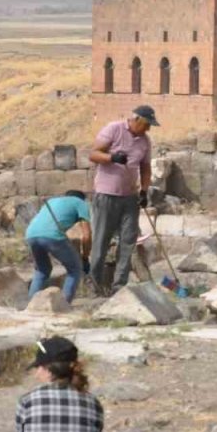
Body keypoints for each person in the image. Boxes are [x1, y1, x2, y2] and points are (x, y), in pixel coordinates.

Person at [88, 106, 156, 294]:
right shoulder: (114, 129)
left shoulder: (145, 141)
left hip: (129, 197)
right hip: (106, 195)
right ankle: (95, 285)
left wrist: (144, 191)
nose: (148, 129)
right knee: (101, 242)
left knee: (127, 242)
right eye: (147, 125)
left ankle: (119, 286)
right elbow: (93, 154)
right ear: (136, 120)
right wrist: (112, 157)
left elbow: (146, 168)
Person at [16, 336, 104, 432]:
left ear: (48, 370)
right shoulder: (94, 404)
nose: (36, 374)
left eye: (38, 368)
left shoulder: (27, 401)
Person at [25, 190, 92, 305]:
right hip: (52, 236)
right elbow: (86, 236)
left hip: (31, 234)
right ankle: (63, 305)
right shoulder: (81, 203)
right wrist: (85, 258)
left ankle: (30, 305)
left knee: (42, 270)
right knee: (75, 269)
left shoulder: (53, 201)